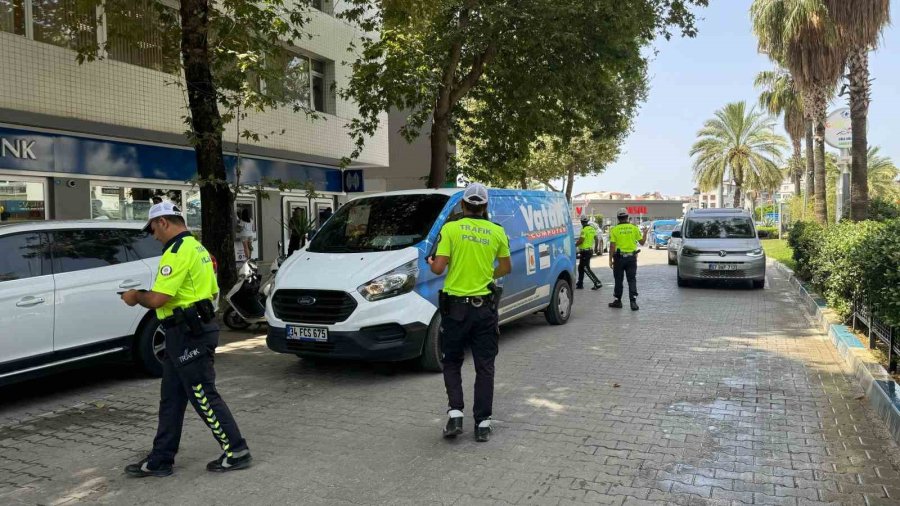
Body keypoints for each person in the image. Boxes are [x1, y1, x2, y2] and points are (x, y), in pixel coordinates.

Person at [121, 201, 251, 477]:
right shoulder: (198, 248)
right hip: (187, 330)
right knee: (171, 397)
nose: (154, 235)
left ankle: (236, 450)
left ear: (164, 223)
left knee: (203, 394)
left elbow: (158, 299)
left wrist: (134, 297)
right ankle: (161, 459)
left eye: (153, 229)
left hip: (188, 333)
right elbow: (210, 289)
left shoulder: (177, 252)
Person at [427, 183, 511, 443]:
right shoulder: (497, 231)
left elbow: (438, 269)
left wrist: (433, 261)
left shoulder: (450, 229)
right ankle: (483, 424)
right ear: (485, 206)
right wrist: (487, 275)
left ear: (463, 205)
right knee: (485, 366)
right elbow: (506, 267)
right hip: (484, 308)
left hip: (455, 310)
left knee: (451, 361)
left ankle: (455, 416)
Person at [608, 208, 647, 311]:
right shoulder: (634, 228)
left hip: (619, 259)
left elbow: (612, 246)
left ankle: (618, 301)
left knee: (618, 280)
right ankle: (633, 302)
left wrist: (610, 259)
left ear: (618, 218)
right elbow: (642, 242)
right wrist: (645, 233)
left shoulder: (614, 230)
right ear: (627, 217)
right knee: (631, 279)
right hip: (631, 259)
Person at [575, 216, 602, 290]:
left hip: (585, 252)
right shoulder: (592, 229)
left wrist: (574, 245)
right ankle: (580, 284)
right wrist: (596, 248)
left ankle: (597, 282)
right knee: (580, 267)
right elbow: (596, 239)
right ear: (587, 221)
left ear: (581, 222)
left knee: (586, 268)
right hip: (589, 251)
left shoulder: (584, 230)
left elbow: (581, 240)